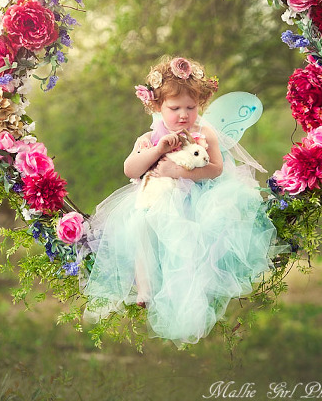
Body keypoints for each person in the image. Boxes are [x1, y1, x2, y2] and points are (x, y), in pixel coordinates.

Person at [82, 55, 280, 345]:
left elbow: (216, 168)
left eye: (191, 106)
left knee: (188, 243)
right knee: (139, 227)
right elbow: (130, 169)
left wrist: (178, 171)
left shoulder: (204, 132)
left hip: (196, 199)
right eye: (175, 108)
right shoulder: (149, 138)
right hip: (153, 199)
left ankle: (186, 293)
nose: (184, 114)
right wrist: (157, 149)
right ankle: (145, 288)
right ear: (157, 106)